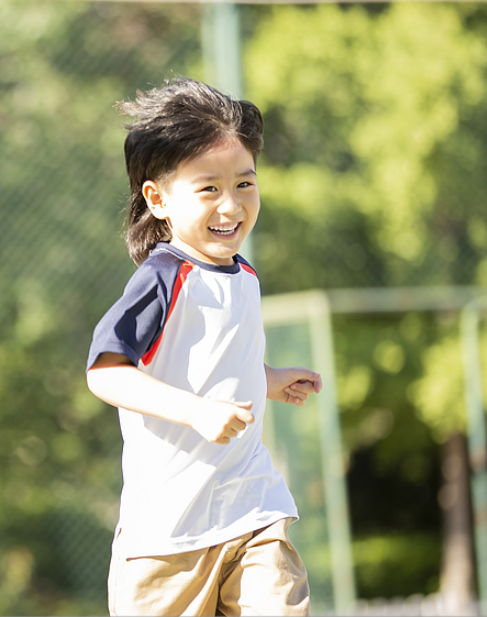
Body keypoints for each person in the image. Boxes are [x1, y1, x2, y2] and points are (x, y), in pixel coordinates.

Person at [85, 77, 322, 616]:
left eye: (244, 184)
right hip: (168, 540)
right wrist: (195, 412)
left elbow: (215, 367)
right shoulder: (162, 278)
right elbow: (105, 373)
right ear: (158, 198)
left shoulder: (245, 277)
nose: (231, 205)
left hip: (250, 509)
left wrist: (269, 380)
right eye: (208, 188)